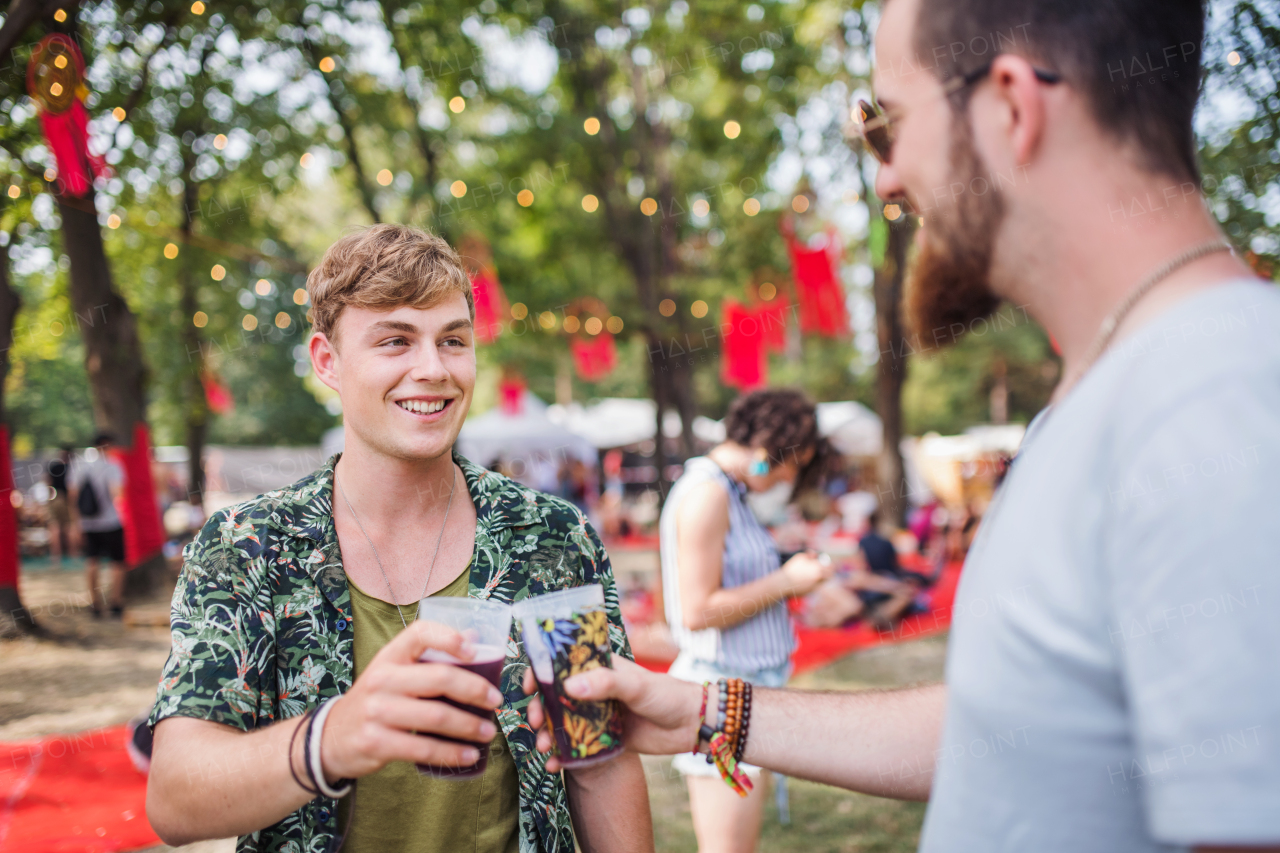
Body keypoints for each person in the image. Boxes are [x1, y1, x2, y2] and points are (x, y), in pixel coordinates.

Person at [526, 0, 1280, 850]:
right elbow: (1010, 732)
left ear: (1010, 107)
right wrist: (706, 709)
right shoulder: (1124, 394)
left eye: (884, 125)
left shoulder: (1212, 395)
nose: (884, 178)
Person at [146, 224, 653, 853]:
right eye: (395, 341)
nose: (433, 369)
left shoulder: (550, 536)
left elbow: (595, 757)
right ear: (327, 361)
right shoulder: (247, 546)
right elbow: (174, 798)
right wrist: (334, 737)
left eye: (453, 341)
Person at [658, 387, 834, 853]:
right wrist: (786, 582)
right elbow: (696, 611)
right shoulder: (709, 494)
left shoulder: (728, 491)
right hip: (724, 696)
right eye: (792, 464)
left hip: (743, 692)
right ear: (766, 451)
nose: (788, 477)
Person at [70, 434, 126, 618]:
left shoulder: (79, 464)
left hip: (87, 523)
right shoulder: (112, 465)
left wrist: (75, 523)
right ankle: (115, 602)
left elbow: (73, 495)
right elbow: (116, 493)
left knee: (92, 561)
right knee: (117, 562)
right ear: (108, 445)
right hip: (111, 522)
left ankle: (95, 603)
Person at [45, 447, 74, 566]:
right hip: (67, 500)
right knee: (69, 527)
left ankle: (56, 556)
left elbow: (48, 483)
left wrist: (50, 499)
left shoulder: (54, 467)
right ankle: (73, 553)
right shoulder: (72, 468)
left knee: (54, 527)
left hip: (55, 498)